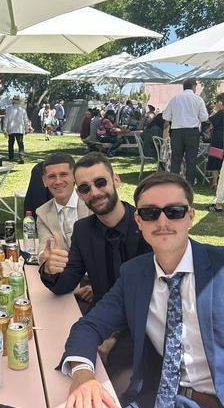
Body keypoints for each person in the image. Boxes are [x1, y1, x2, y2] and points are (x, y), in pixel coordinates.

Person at [61, 171, 224, 408]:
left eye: (174, 211)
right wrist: (82, 374)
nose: (162, 221)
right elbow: (90, 325)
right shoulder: (134, 274)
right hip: (156, 403)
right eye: (150, 213)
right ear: (139, 221)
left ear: (190, 217)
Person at [40, 152, 151, 394]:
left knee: (118, 392)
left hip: (141, 330)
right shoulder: (83, 230)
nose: (95, 193)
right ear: (79, 194)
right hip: (99, 324)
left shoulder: (146, 226)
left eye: (101, 182)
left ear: (116, 180)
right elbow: (65, 283)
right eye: (85, 188)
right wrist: (50, 270)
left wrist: (115, 337)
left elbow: (152, 300)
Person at [35, 153, 92, 308]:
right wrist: (44, 259)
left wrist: (97, 284)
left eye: (63, 174)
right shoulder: (42, 212)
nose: (58, 181)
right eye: (52, 176)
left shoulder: (92, 202)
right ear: (44, 181)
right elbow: (45, 246)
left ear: (74, 177)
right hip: (67, 283)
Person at [163, 78, 209, 185]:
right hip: (192, 132)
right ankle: (189, 185)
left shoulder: (175, 99)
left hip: (177, 132)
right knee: (191, 160)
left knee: (176, 159)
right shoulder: (198, 99)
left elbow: (166, 116)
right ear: (193, 87)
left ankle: (174, 183)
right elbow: (204, 117)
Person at [206, 93, 224, 190]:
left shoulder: (220, 113)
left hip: (218, 139)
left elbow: (209, 120)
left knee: (214, 160)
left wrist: (215, 110)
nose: (215, 104)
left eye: (216, 102)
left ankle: (215, 181)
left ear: (220, 102)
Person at [3, 95, 30, 163]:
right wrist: (26, 129)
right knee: (20, 143)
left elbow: (5, 120)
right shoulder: (22, 109)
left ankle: (11, 156)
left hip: (11, 129)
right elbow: (25, 120)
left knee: (11, 143)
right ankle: (21, 156)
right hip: (19, 129)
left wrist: (4, 129)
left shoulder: (8, 109)